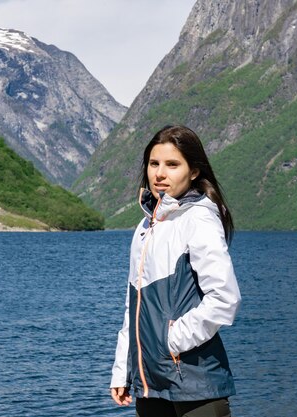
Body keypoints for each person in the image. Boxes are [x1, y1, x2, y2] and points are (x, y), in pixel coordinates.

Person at [110, 125, 241, 417]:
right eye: (154, 164)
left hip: (196, 386)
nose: (159, 173)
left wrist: (171, 341)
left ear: (193, 171)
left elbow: (224, 298)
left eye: (172, 165)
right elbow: (133, 306)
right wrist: (123, 369)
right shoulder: (145, 227)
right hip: (150, 385)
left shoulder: (199, 219)